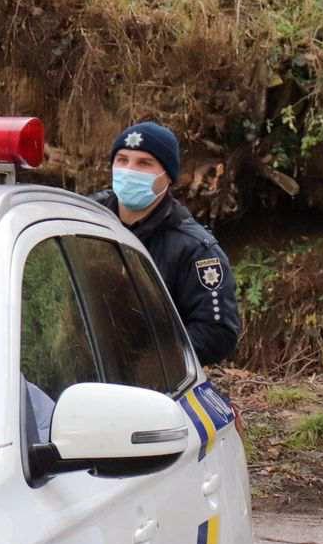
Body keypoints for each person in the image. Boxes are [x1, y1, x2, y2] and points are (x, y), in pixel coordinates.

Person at [90, 121, 241, 366]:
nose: (129, 171)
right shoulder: (84, 218)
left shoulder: (195, 249)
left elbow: (218, 332)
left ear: (167, 176)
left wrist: (156, 360)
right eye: (122, 160)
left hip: (153, 384)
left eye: (144, 163)